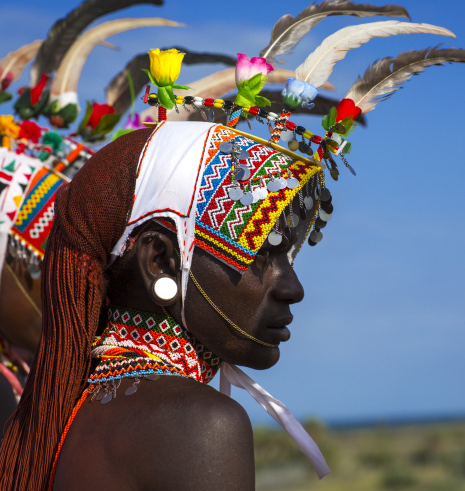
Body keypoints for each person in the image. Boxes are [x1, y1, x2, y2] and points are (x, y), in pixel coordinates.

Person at [0, 119, 330, 490]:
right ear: (160, 262)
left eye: (287, 258)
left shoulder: (65, 406)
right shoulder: (201, 423)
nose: (293, 288)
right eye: (261, 254)